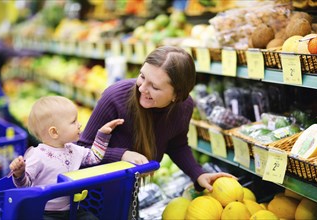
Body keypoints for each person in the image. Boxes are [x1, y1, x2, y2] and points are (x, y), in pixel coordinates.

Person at [77, 45, 235, 193]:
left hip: (128, 191)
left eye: (155, 87)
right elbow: (81, 149)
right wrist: (121, 156)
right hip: (92, 192)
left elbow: (177, 144)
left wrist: (197, 174)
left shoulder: (184, 107)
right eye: (142, 76)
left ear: (176, 95)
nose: (142, 88)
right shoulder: (115, 98)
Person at [9, 95, 124, 220]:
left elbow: (94, 157)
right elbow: (24, 186)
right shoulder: (37, 155)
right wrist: (19, 173)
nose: (79, 124)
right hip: (44, 212)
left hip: (73, 208)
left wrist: (102, 135)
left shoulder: (73, 149)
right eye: (73, 122)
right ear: (54, 132)